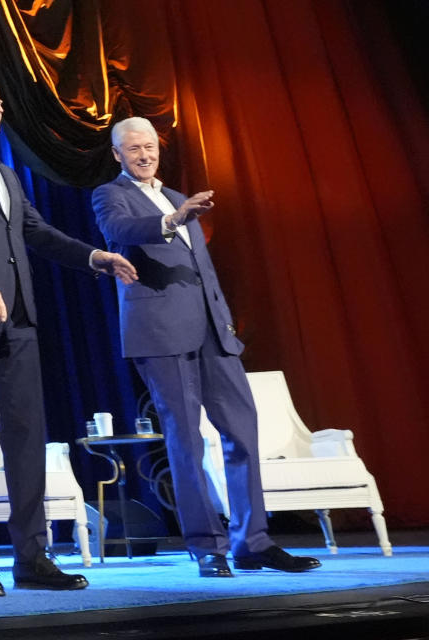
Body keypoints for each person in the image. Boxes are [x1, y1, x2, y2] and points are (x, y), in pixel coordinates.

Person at [0, 74, 138, 597]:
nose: (0, 105)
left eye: (0, 97)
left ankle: (33, 557)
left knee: (26, 437)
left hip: (19, 318)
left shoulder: (7, 173)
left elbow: (33, 232)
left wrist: (92, 256)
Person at [91, 116, 321, 578]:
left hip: (214, 332)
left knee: (242, 429)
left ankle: (252, 541)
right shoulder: (110, 195)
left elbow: (204, 271)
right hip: (161, 333)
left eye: (151, 147)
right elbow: (122, 231)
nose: (144, 155)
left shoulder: (178, 196)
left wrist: (225, 322)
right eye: (134, 148)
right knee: (186, 438)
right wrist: (172, 220)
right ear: (117, 154)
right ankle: (205, 545)